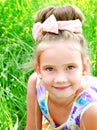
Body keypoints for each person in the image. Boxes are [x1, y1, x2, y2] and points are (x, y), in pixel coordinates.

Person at [25, 5, 97, 130]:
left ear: (84, 67)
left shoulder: (90, 110)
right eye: (50, 69)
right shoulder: (36, 84)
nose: (60, 79)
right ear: (38, 70)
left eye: (70, 67)